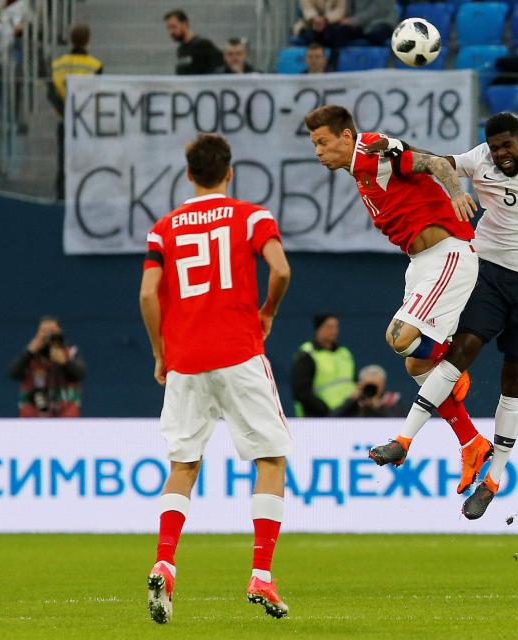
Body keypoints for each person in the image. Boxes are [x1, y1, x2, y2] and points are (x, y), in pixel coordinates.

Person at [374, 106, 518, 519]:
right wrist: (393, 147)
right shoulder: (480, 158)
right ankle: (403, 441)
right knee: (461, 352)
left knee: (515, 382)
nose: (500, 154)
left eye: (507, 145)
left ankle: (493, 479)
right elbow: (438, 163)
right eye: (494, 148)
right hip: (490, 275)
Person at [139, 133, 292, 623]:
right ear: (230, 172)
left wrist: (161, 353)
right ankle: (261, 574)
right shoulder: (252, 215)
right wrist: (267, 311)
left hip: (185, 360)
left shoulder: (163, 228)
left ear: (188, 174)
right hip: (239, 352)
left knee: (183, 464)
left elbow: (147, 295)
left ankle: (165, 561)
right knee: (270, 458)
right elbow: (281, 271)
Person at [305, 104, 493, 496]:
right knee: (414, 364)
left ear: (345, 136)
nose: (318, 152)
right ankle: (471, 442)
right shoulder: (362, 170)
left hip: (448, 254)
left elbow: (435, 165)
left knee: (400, 338)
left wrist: (458, 193)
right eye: (314, 145)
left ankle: (448, 363)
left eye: (323, 143)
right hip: (421, 264)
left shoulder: (370, 149)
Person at [47, 23, 102, 201]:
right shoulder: (95, 65)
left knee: (63, 162)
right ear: (88, 40)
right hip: (85, 123)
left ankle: (61, 197)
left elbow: (52, 93)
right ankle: (84, 197)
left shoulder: (57, 65)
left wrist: (64, 113)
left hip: (65, 121)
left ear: (70, 40)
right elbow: (97, 94)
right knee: (86, 163)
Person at [9, 315, 86, 418]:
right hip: (31, 419)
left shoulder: (71, 353)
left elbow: (80, 374)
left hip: (66, 417)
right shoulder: (29, 356)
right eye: (44, 331)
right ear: (37, 334)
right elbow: (14, 373)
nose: (48, 335)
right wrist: (28, 353)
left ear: (60, 332)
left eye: (52, 331)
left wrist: (65, 363)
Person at [291, 313, 356, 417]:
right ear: (319, 328)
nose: (334, 331)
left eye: (336, 327)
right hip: (318, 419)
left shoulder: (345, 353)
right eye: (329, 327)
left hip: (346, 417)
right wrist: (325, 411)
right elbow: (301, 391)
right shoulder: (307, 353)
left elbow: (352, 382)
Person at [331, 364, 409, 418]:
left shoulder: (391, 402)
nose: (371, 389)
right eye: (368, 385)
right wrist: (351, 401)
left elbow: (399, 423)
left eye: (375, 385)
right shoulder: (355, 403)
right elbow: (330, 421)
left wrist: (378, 407)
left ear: (383, 385)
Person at [163, 8, 223, 75]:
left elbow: (220, 66)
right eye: (169, 28)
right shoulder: (181, 49)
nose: (171, 32)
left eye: (173, 27)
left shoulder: (203, 45)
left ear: (185, 24)